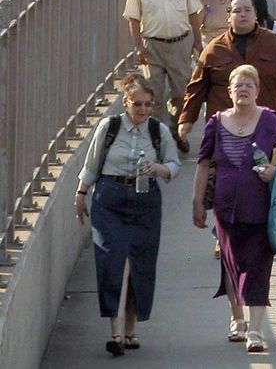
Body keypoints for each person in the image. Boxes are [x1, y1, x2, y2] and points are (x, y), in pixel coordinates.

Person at [192, 63, 276, 353]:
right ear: (229, 91)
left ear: (257, 91)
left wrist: (275, 170)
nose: (243, 90)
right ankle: (236, 319)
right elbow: (203, 164)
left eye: (249, 85)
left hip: (260, 206)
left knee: (258, 266)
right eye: (238, 85)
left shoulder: (270, 120)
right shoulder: (216, 122)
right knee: (231, 262)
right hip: (225, 207)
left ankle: (255, 329)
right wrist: (198, 203)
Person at [75, 73, 180, 356]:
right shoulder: (109, 128)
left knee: (140, 265)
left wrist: (158, 168)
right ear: (125, 102)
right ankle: (116, 332)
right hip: (110, 198)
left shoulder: (158, 131)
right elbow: (91, 164)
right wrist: (81, 193)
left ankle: (132, 329)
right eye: (137, 104)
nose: (143, 110)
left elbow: (174, 164)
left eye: (148, 104)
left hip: (145, 202)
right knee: (112, 260)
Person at [178, 0, 276, 145]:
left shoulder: (275, 44)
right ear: (228, 16)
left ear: (255, 15)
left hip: (265, 126)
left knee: (265, 167)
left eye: (247, 10)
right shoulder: (214, 50)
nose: (242, 14)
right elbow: (196, 87)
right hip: (225, 129)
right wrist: (187, 119)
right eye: (237, 11)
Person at [123, 0, 202, 152]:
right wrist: (138, 46)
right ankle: (155, 140)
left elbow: (193, 11)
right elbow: (132, 18)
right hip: (153, 46)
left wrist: (197, 40)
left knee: (181, 94)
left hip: (179, 44)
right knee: (152, 95)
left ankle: (177, 133)